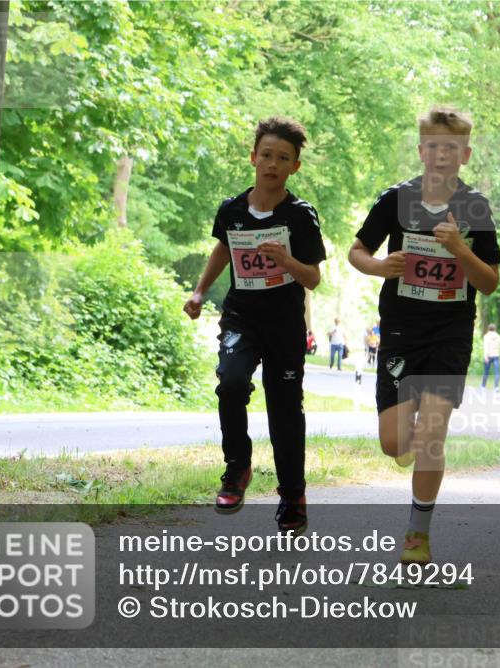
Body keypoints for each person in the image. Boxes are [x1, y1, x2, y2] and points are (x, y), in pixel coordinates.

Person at [348, 105, 500, 565]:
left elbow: (489, 281)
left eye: (451, 148)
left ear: (465, 154)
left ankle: (418, 534)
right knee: (395, 443)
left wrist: (459, 249)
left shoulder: (474, 207)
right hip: (400, 330)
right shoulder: (396, 200)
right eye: (433, 146)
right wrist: (379, 266)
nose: (440, 155)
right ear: (421, 150)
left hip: (449, 333)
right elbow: (357, 252)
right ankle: (405, 433)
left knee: (433, 431)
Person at [183, 116, 325, 533]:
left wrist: (287, 262)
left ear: (294, 166)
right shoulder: (231, 210)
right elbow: (222, 251)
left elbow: (313, 278)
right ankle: (237, 469)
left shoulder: (300, 216)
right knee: (230, 382)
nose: (273, 164)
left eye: (283, 158)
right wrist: (198, 292)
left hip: (284, 324)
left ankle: (293, 496)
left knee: (284, 411)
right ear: (253, 158)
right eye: (267, 155)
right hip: (241, 316)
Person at [481, 324, 500, 389]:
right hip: (496, 356)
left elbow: (485, 347)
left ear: (488, 329)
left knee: (486, 371)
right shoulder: (498, 336)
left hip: (488, 356)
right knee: (497, 372)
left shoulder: (486, 336)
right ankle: (496, 387)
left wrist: (485, 356)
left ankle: (483, 386)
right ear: (495, 329)